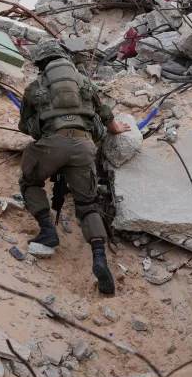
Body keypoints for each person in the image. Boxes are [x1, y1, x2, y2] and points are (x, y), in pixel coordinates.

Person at [18, 39, 130, 294]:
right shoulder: (85, 83)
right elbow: (108, 121)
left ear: (41, 64)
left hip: (51, 145)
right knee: (87, 205)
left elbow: (25, 127)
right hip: (84, 147)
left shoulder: (34, 87)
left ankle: (47, 231)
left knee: (29, 181)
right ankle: (99, 257)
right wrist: (118, 129)